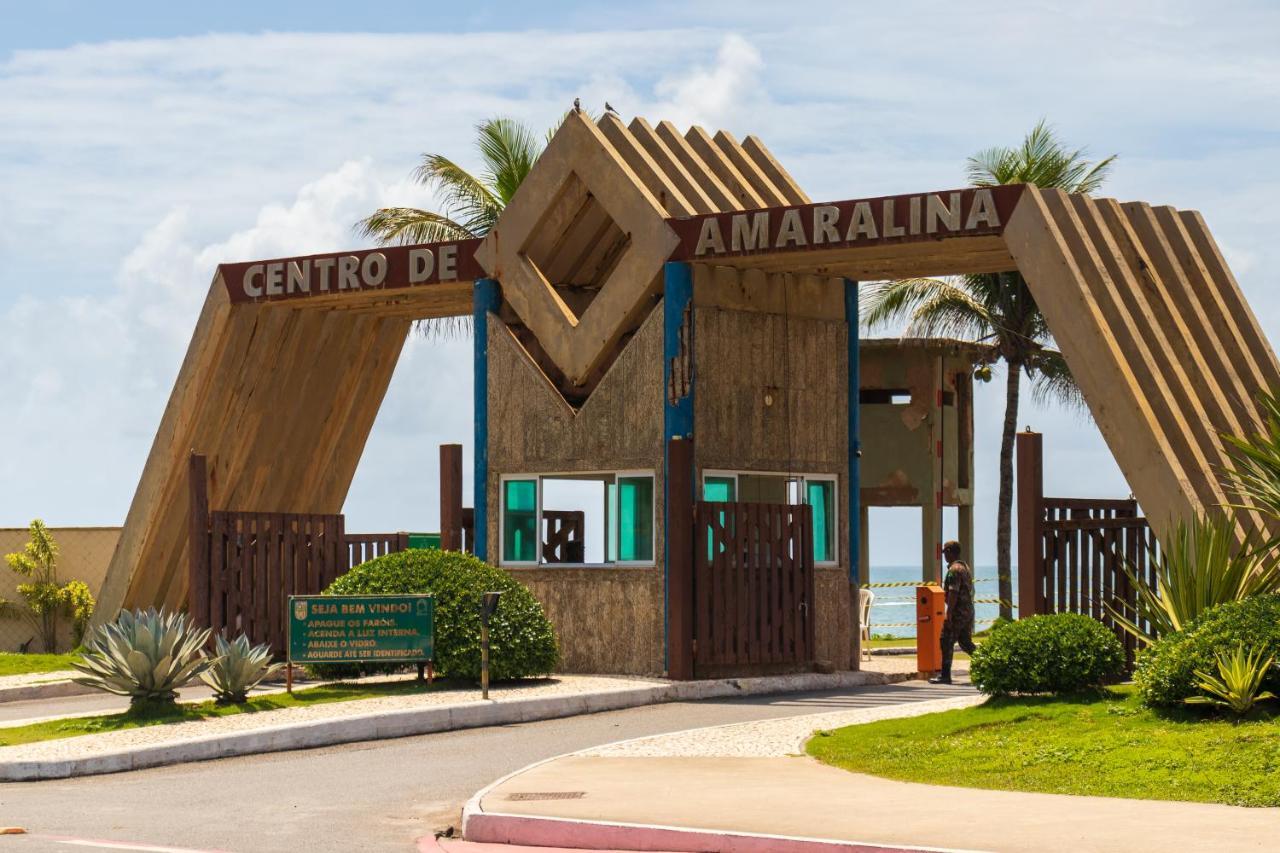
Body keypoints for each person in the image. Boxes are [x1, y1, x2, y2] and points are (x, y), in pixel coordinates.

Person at [929, 540, 975, 685]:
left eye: (945, 552)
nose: (944, 556)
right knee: (965, 642)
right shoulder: (964, 567)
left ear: (950, 551)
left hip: (958, 611)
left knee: (946, 640)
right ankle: (989, 663)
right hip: (968, 610)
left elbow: (953, 592)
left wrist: (949, 612)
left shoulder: (954, 570)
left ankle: (945, 675)